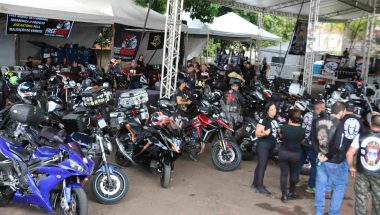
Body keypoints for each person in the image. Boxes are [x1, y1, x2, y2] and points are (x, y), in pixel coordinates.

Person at [314, 102, 347, 215]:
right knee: (339, 185)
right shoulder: (340, 124)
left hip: (320, 158)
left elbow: (312, 139)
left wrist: (319, 153)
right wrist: (326, 156)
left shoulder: (319, 121)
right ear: (342, 112)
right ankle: (333, 213)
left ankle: (319, 212)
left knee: (320, 185)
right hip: (333, 161)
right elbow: (337, 145)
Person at [346, 114, 380, 215]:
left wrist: (351, 167)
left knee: (361, 200)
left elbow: (349, 153)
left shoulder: (360, 136)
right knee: (378, 201)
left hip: (362, 173)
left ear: (370, 124)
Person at [278, 109, 305, 203]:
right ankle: (292, 192)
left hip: (283, 152)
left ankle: (284, 196)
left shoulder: (284, 127)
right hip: (295, 154)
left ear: (289, 118)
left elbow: (280, 137)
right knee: (294, 174)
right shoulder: (302, 130)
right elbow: (302, 141)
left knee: (284, 174)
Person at [252, 101, 279, 194]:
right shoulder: (264, 119)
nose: (273, 111)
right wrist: (264, 133)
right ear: (267, 111)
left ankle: (255, 183)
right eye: (271, 109)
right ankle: (259, 187)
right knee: (262, 165)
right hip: (263, 144)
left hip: (271, 145)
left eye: (274, 109)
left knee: (261, 164)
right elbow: (257, 133)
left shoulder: (275, 119)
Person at [299, 101, 326, 193]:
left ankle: (295, 181)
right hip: (312, 145)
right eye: (324, 108)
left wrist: (303, 139)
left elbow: (303, 128)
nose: (325, 109)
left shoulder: (307, 114)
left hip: (303, 142)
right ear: (320, 108)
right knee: (315, 165)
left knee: (300, 162)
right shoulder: (320, 119)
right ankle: (311, 186)